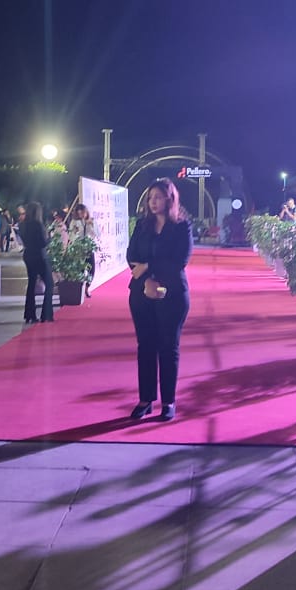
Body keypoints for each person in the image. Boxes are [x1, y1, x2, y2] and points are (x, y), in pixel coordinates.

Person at [127, 178, 193, 422]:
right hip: (141, 293)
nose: (152, 202)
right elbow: (131, 255)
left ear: (169, 198)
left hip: (173, 294)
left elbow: (180, 260)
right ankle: (145, 400)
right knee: (145, 346)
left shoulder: (182, 226)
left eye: (157, 197)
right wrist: (147, 280)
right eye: (150, 198)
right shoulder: (142, 225)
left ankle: (168, 401)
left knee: (168, 347)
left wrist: (149, 267)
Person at [18, 201, 54, 324]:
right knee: (49, 284)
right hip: (40, 256)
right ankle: (46, 314)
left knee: (31, 284)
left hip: (28, 255)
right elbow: (43, 243)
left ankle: (30, 314)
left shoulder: (22, 225)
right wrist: (50, 238)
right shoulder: (38, 225)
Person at [67, 203, 99, 298]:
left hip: (88, 248)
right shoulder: (74, 222)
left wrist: (91, 225)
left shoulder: (91, 221)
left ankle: (87, 287)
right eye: (80, 213)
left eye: (83, 213)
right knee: (80, 270)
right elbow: (71, 236)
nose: (82, 215)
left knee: (91, 269)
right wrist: (76, 232)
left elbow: (96, 234)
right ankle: (80, 290)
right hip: (79, 249)